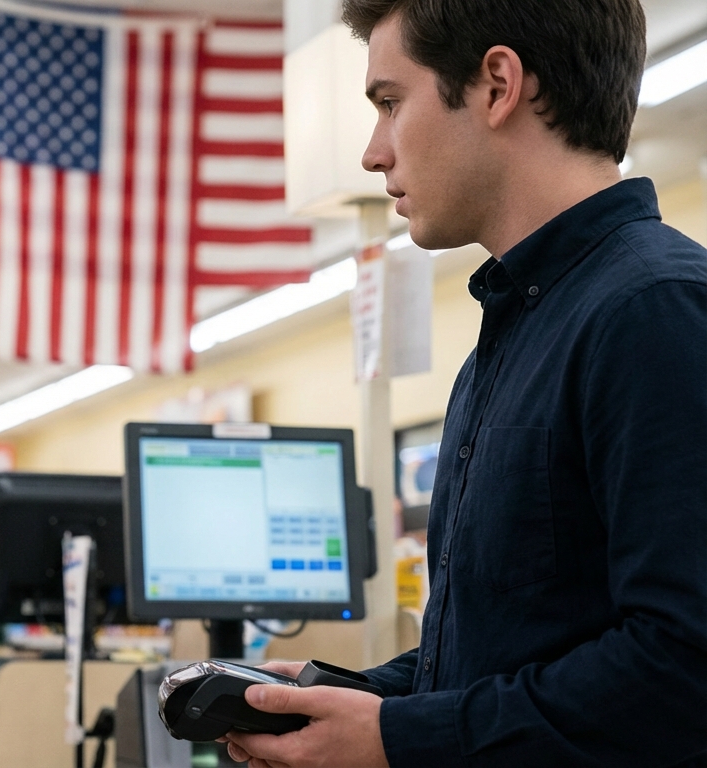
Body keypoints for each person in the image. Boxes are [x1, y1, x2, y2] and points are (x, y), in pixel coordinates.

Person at [224, 1, 707, 766]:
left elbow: (684, 668)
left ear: (496, 85)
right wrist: (355, 698)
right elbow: (500, 653)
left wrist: (396, 739)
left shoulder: (654, 311)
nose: (373, 153)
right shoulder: (503, 346)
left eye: (389, 102)